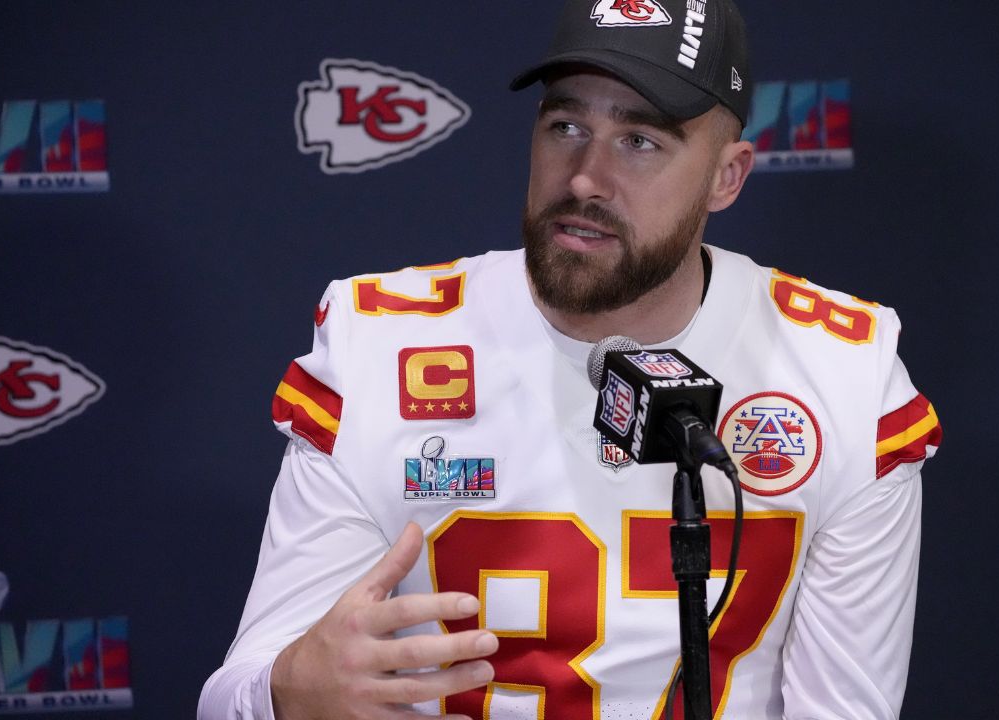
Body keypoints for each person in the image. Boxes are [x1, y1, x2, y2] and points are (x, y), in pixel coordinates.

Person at [199, 0, 941, 718]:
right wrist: (287, 694)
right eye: (566, 126)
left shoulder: (844, 374)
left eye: (639, 141)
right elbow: (234, 696)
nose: (585, 177)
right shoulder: (378, 346)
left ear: (728, 175)